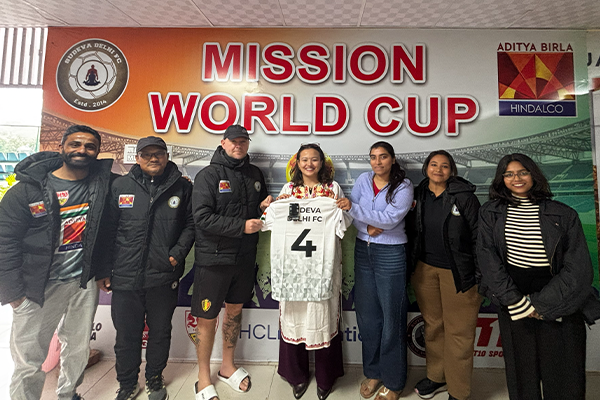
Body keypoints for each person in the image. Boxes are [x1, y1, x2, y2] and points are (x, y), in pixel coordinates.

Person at [0, 125, 114, 400]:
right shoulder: (27, 191)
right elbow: (5, 241)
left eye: (89, 146)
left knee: (77, 347)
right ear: (61, 147)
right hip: (38, 286)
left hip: (82, 282)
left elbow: (105, 233)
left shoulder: (101, 186)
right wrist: (13, 293)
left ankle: (68, 393)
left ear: (97, 152)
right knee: (29, 358)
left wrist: (101, 270)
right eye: (75, 144)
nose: (82, 150)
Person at [477, 153, 598, 400]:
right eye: (509, 174)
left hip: (558, 297)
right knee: (522, 376)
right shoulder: (490, 212)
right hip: (513, 298)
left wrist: (539, 304)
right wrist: (515, 301)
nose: (516, 178)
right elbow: (488, 258)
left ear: (534, 175)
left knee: (563, 376)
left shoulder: (563, 213)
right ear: (501, 179)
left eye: (523, 172)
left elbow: (579, 269)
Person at [95, 136, 195, 400]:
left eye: (158, 153)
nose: (153, 158)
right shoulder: (120, 186)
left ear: (166, 156)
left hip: (163, 274)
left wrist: (176, 254)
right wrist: (104, 269)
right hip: (125, 275)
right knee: (126, 335)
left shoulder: (182, 187)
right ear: (137, 158)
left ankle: (154, 378)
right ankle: (127, 383)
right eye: (147, 154)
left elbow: (191, 225)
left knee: (160, 332)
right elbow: (107, 230)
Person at [191, 125, 273, 400]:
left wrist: (263, 207)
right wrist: (241, 226)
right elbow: (201, 217)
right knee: (207, 319)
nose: (239, 145)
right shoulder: (208, 175)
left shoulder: (255, 174)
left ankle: (227, 366)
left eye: (243, 141)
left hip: (244, 257)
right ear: (223, 143)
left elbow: (257, 210)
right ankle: (203, 377)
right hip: (214, 259)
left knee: (235, 313)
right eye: (233, 141)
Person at [266, 143, 350, 400]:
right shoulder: (288, 190)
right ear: (297, 163)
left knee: (323, 315)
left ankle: (326, 377)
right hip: (293, 268)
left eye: (314, 159)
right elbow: (279, 219)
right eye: (304, 159)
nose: (309, 164)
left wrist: (345, 207)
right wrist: (270, 207)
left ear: (322, 163)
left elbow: (342, 223)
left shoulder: (332, 189)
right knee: (294, 316)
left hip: (322, 267)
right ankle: (296, 375)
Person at [336, 141, 413, 400]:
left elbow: (390, 220)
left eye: (383, 157)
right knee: (368, 317)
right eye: (373, 157)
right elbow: (351, 215)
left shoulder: (404, 186)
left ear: (392, 159)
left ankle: (394, 380)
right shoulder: (363, 180)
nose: (377, 162)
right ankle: (374, 372)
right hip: (363, 249)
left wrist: (356, 210)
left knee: (392, 317)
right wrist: (365, 225)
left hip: (391, 252)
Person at [406, 150, 481, 400]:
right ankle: (437, 376)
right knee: (433, 327)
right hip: (425, 271)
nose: (438, 170)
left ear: (452, 171)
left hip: (458, 273)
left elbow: (480, 238)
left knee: (459, 333)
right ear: (426, 168)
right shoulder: (418, 194)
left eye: (445, 166)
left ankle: (458, 391)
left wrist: (478, 274)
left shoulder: (465, 197)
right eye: (434, 164)